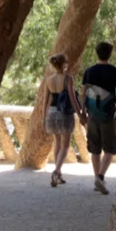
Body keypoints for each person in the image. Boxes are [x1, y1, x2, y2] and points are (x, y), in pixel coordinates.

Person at [81, 41, 116, 195]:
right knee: (109, 148)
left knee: (95, 148)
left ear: (97, 53)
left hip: (93, 114)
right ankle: (101, 177)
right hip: (108, 115)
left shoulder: (89, 72)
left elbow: (83, 93)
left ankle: (97, 178)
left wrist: (82, 112)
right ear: (110, 54)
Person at [41, 52, 86, 187]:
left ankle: (58, 174)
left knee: (57, 143)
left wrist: (44, 118)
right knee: (65, 146)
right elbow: (73, 99)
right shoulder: (68, 79)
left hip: (52, 113)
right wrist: (80, 114)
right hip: (64, 114)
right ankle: (56, 171)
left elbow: (45, 101)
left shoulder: (49, 80)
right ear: (64, 64)